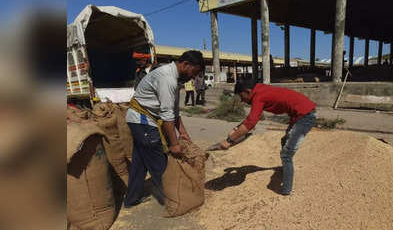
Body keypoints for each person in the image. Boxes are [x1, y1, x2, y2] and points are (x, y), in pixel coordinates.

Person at [124, 50, 204, 208]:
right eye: (193, 72)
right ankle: (174, 201)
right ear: (185, 64)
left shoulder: (173, 77)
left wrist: (183, 132)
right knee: (160, 164)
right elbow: (167, 115)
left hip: (141, 120)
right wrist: (174, 144)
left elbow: (174, 111)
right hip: (142, 120)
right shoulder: (167, 78)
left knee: (140, 163)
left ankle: (131, 199)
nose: (193, 77)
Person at [218, 79, 317, 196]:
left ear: (248, 91)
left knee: (286, 154)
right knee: (284, 141)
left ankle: (286, 190)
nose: (242, 100)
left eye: (241, 96)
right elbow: (251, 118)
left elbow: (251, 123)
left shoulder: (258, 96)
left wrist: (229, 140)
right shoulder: (260, 90)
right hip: (299, 115)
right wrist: (237, 128)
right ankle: (284, 168)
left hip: (305, 116)